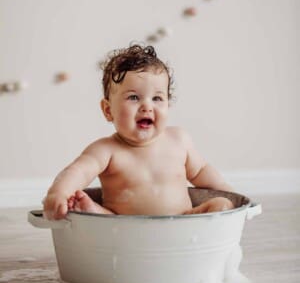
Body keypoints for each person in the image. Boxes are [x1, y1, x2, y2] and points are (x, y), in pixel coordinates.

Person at [43, 44, 234, 220]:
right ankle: (90, 210)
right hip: (124, 229)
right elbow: (78, 172)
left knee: (222, 204)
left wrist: (230, 193)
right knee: (100, 215)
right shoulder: (106, 150)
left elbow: (201, 171)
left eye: (157, 98)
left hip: (183, 222)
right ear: (108, 110)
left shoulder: (178, 140)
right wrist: (58, 193)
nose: (147, 107)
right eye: (134, 97)